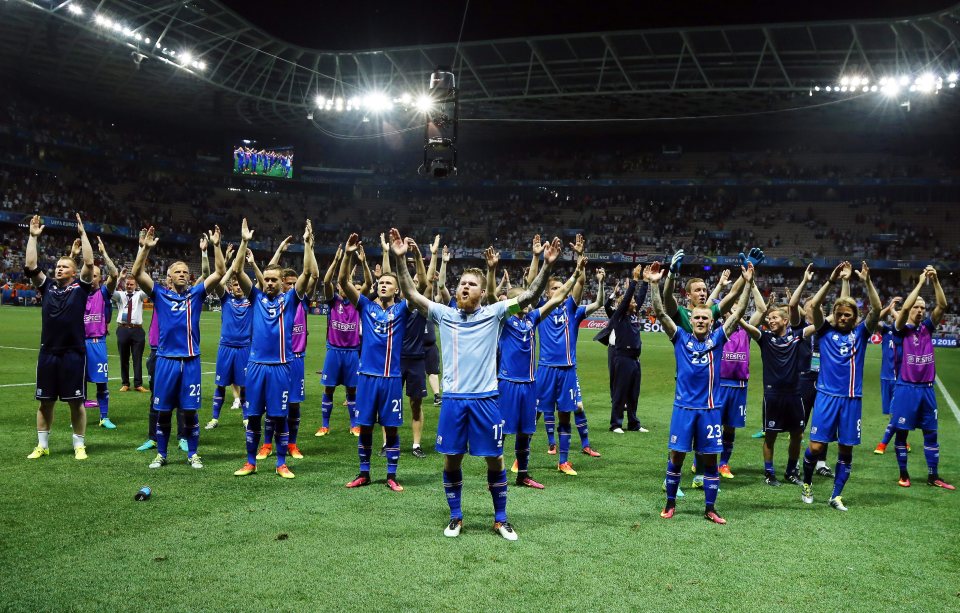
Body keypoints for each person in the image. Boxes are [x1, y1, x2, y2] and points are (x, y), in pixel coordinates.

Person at [391, 227, 562, 540]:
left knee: (495, 459)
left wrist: (548, 265)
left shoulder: (495, 313)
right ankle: (456, 517)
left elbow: (529, 296)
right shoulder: (444, 314)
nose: (465, 287)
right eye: (462, 284)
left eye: (472, 284)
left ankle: (500, 518)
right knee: (452, 458)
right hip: (454, 400)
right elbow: (412, 295)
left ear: (483, 293)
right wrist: (400, 259)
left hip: (486, 399)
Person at [650, 260, 753, 524]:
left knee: (710, 460)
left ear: (710, 322)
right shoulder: (680, 338)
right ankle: (670, 503)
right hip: (683, 409)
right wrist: (653, 284)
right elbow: (661, 314)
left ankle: (710, 508)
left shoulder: (718, 338)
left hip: (709, 410)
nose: (700, 321)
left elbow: (738, 309)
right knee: (676, 456)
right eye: (696, 317)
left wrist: (748, 282)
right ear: (691, 319)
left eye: (705, 318)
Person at [132, 224, 226, 470]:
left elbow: (219, 271)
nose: (184, 274)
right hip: (165, 361)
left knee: (190, 412)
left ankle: (193, 454)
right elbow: (137, 274)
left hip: (191, 361)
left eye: (186, 271)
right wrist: (145, 249)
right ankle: (161, 454)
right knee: (163, 411)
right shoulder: (160, 294)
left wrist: (216, 246)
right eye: (178, 271)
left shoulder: (196, 295)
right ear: (169, 277)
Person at [232, 219, 316, 479]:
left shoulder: (291, 299)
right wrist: (244, 242)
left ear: (282, 283)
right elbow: (237, 272)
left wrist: (307, 245)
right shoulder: (254, 297)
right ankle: (250, 462)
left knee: (280, 418)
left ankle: (281, 463)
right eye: (266, 279)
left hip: (281, 367)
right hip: (256, 366)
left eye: (273, 280)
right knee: (254, 417)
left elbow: (307, 275)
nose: (268, 283)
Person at [799, 261, 881, 511]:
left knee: (846, 450)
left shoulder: (861, 334)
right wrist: (831, 281)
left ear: (855, 318)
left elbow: (877, 308)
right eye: (841, 314)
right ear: (835, 315)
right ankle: (807, 481)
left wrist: (866, 281)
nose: (844, 318)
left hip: (851, 400)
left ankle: (836, 495)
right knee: (816, 447)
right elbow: (812, 306)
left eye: (849, 315)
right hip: (826, 397)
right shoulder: (824, 332)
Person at [500, 255, 585, 489]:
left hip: (529, 383)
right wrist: (492, 272)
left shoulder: (532, 319)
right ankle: (496, 473)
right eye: (520, 300)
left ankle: (523, 473)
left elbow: (556, 297)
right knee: (504, 430)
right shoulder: (503, 319)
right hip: (508, 382)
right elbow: (523, 288)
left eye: (526, 301)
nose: (525, 303)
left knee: (526, 430)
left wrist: (575, 275)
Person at [337, 232, 409, 492]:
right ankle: (364, 473)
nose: (382, 285)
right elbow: (343, 281)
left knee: (390, 428)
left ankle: (391, 475)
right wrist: (347, 254)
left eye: (388, 283)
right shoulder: (366, 306)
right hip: (366, 377)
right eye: (380, 282)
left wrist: (402, 260)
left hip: (390, 379)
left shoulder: (402, 309)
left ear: (397, 289)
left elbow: (419, 287)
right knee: (365, 426)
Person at [25, 214, 95, 461]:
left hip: (74, 352)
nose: (59, 268)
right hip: (48, 352)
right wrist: (33, 237)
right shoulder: (47, 287)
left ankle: (79, 445)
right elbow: (31, 266)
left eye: (64, 266)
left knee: (76, 403)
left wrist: (83, 234)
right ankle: (42, 445)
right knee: (45, 402)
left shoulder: (80, 288)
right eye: (57, 266)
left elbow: (89, 261)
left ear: (74, 273)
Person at [738, 295, 814, 487]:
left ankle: (790, 471)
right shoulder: (765, 338)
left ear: (785, 321)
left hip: (794, 394)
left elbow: (819, 325)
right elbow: (748, 328)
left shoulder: (797, 336)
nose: (771, 321)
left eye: (775, 318)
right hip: (772, 395)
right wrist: (736, 316)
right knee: (770, 435)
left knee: (797, 434)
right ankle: (769, 473)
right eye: (769, 318)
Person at [889, 267, 954, 490]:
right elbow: (905, 307)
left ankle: (933, 475)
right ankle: (904, 473)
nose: (919, 310)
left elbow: (943, 306)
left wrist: (935, 281)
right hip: (906, 388)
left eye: (922, 308)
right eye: (916, 307)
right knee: (902, 434)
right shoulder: (899, 330)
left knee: (931, 433)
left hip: (926, 389)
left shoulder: (927, 328)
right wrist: (919, 283)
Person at [257, 235, 319, 460]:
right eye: (289, 283)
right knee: (268, 404)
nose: (293, 286)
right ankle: (266, 444)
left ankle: (292, 443)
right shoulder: (273, 301)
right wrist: (280, 250)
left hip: (296, 358)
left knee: (293, 404)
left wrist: (308, 247)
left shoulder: (300, 299)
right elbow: (269, 272)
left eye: (295, 283)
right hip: (275, 359)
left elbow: (313, 274)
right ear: (282, 282)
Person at [713, 269, 767, 479]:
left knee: (730, 428)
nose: (735, 312)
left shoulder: (746, 330)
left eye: (738, 309)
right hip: (718, 384)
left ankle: (724, 464)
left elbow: (762, 308)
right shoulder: (717, 330)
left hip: (738, 386)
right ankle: (701, 459)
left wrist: (751, 284)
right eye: (731, 309)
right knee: (712, 425)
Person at [317, 244, 369, 437]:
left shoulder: (358, 302)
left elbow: (369, 285)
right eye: (342, 284)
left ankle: (354, 425)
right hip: (334, 351)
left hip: (352, 352)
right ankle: (324, 425)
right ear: (339, 286)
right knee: (328, 389)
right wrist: (338, 260)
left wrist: (363, 264)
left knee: (352, 390)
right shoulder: (333, 301)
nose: (343, 287)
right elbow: (325, 281)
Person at [205, 250, 260, 430]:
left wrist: (249, 264)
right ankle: (214, 418)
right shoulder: (226, 299)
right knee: (220, 384)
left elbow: (259, 283)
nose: (237, 287)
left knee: (244, 386)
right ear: (231, 286)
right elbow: (218, 282)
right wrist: (229, 265)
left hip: (244, 348)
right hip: (225, 347)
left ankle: (245, 418)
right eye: (234, 284)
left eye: (239, 284)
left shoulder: (252, 301)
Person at [595, 266, 648, 433]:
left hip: (635, 359)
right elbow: (626, 301)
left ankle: (634, 423)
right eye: (629, 301)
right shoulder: (620, 316)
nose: (633, 302)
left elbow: (639, 298)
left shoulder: (633, 314)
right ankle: (616, 424)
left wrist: (645, 281)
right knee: (620, 392)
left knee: (634, 393)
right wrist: (634, 280)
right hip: (622, 357)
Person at [82, 237, 120, 428]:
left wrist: (104, 254)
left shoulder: (103, 294)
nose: (92, 277)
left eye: (96, 275)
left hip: (97, 343)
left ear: (99, 278)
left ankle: (104, 417)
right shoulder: (77, 292)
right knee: (78, 383)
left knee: (101, 382)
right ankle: (78, 417)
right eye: (89, 274)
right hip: (78, 343)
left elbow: (114, 274)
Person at [872, 297, 904, 454]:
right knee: (892, 412)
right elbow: (874, 318)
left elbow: (904, 321)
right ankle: (902, 439)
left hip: (900, 378)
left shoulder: (905, 332)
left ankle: (883, 443)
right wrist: (889, 306)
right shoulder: (885, 329)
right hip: (885, 377)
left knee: (897, 410)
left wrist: (895, 311)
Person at [113, 275, 149, 393]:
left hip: (137, 330)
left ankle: (138, 384)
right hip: (123, 329)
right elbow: (109, 290)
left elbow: (148, 289)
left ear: (136, 285)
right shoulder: (120, 295)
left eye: (131, 284)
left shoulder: (139, 295)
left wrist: (140, 278)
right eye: (127, 284)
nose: (129, 286)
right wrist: (119, 278)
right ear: (124, 284)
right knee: (124, 358)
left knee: (137, 358)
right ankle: (125, 383)